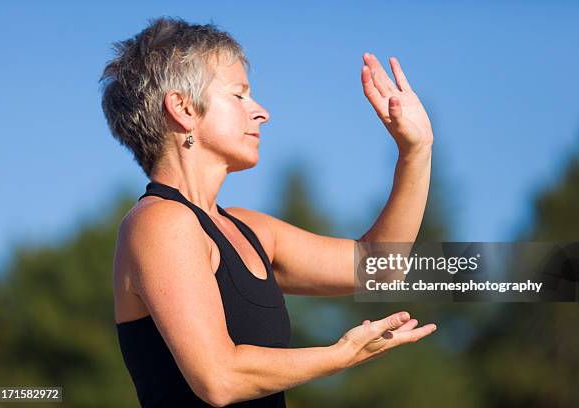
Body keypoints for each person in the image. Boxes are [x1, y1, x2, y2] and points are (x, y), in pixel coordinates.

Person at [101, 17, 436, 407]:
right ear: (183, 108)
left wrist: (416, 151)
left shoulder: (250, 230)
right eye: (239, 95)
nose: (262, 112)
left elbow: (380, 266)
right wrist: (340, 355)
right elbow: (219, 378)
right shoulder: (160, 223)